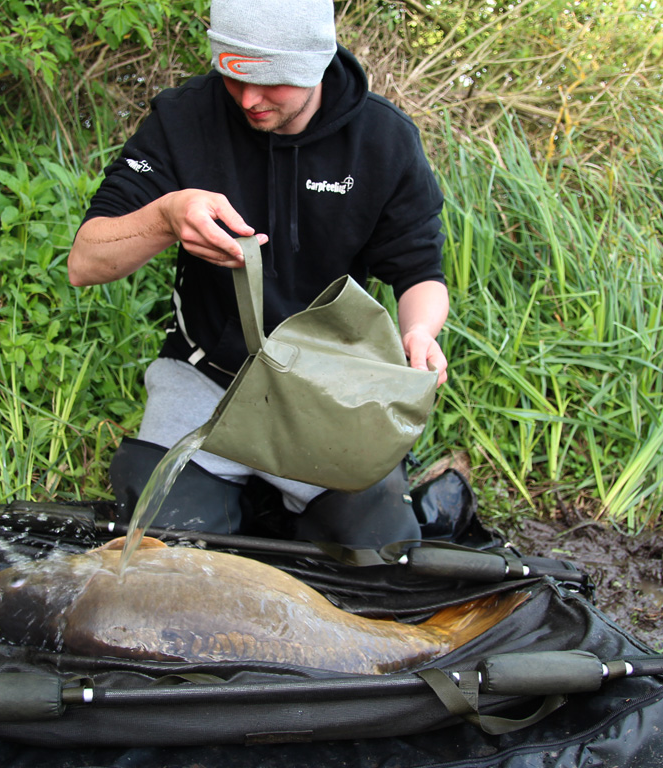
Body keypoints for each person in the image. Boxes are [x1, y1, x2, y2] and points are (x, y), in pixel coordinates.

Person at [69, 0, 450, 549]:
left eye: (273, 82)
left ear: (317, 64)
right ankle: (231, 490)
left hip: (329, 387)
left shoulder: (382, 140)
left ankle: (283, 497)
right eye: (233, 73)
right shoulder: (183, 121)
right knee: (165, 547)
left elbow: (420, 271)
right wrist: (164, 217)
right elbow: (84, 261)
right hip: (207, 374)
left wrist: (419, 332)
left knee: (377, 550)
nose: (250, 99)